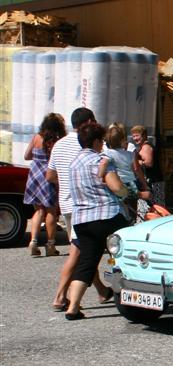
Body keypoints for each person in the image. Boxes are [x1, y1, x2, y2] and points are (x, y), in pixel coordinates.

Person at [63, 122, 130, 320]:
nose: (103, 144)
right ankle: (127, 297)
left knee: (87, 263)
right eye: (101, 140)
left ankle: (73, 307)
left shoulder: (73, 163)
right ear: (95, 141)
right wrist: (129, 193)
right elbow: (117, 187)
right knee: (124, 257)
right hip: (107, 216)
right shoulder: (101, 161)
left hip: (82, 220)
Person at [47, 107, 111, 311]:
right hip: (85, 205)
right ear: (90, 122)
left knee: (86, 249)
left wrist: (66, 185)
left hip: (66, 204)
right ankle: (60, 297)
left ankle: (101, 290)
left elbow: (50, 176)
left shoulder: (59, 144)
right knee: (77, 254)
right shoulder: (86, 143)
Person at [23, 112, 66, 257]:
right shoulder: (56, 141)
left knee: (39, 210)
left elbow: (27, 156)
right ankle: (50, 245)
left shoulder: (36, 137)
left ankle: (34, 241)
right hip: (48, 175)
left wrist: (38, 157)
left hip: (34, 175)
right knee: (51, 211)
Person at [102, 122, 150, 221]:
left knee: (120, 209)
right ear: (123, 139)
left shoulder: (107, 153)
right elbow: (136, 169)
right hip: (131, 183)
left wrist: (99, 176)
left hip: (117, 184)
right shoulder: (130, 153)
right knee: (133, 211)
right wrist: (144, 183)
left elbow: (103, 165)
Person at [130, 125, 163, 221]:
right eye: (133, 136)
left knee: (156, 209)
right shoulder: (142, 147)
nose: (135, 138)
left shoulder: (146, 147)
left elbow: (148, 163)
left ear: (144, 135)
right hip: (152, 182)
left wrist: (136, 162)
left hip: (153, 183)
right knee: (153, 209)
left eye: (137, 136)